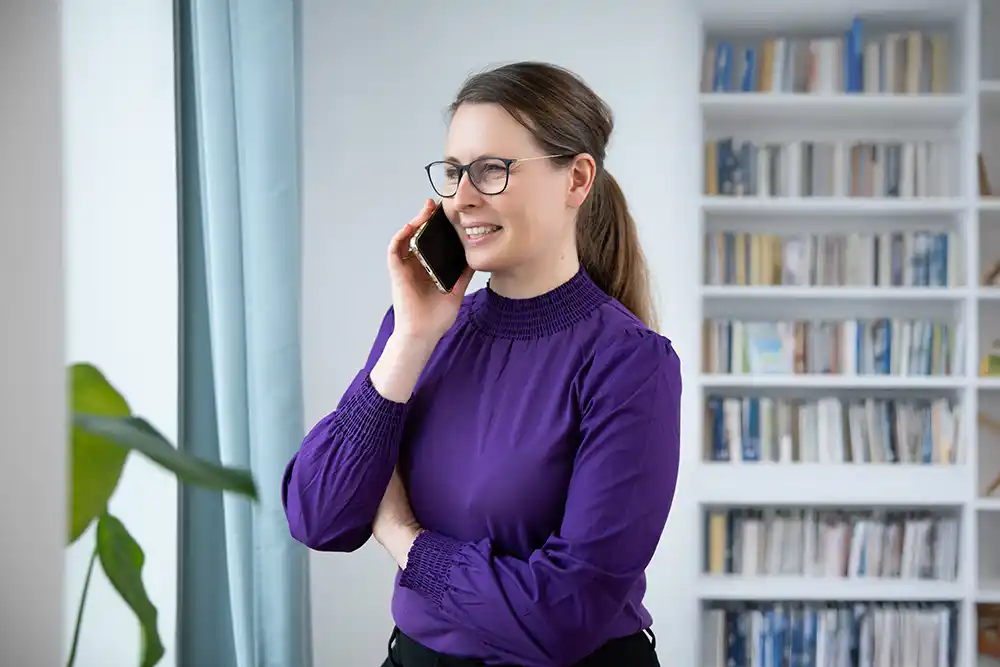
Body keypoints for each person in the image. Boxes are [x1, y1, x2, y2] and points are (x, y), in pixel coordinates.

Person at [281, 61, 681, 667]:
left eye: (492, 170)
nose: (462, 197)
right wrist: (413, 336)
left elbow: (562, 616)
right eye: (453, 172)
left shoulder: (631, 365)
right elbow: (319, 516)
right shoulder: (418, 333)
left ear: (576, 179)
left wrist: (404, 541)